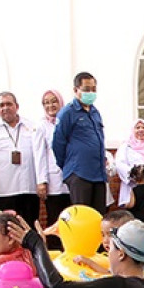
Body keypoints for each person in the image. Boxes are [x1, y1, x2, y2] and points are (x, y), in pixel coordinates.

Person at [8, 215, 144, 288]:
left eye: (110, 248)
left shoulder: (119, 285)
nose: (108, 254)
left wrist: (36, 245)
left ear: (121, 254)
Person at [52, 72, 107, 213]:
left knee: (99, 216)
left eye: (94, 89)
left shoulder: (95, 112)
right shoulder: (67, 113)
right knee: (82, 215)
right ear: (76, 90)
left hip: (98, 173)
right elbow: (58, 143)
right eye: (87, 89)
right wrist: (68, 165)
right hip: (79, 173)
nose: (91, 93)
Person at [0, 92, 40, 221]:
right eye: (1, 105)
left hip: (28, 189)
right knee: (6, 228)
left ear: (17, 106)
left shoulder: (31, 126)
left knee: (29, 226)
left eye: (9, 104)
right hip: (3, 191)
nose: (5, 108)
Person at [34, 90, 71, 237]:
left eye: (54, 101)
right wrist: (41, 181)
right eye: (46, 103)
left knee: (71, 217)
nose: (50, 105)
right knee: (55, 217)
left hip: (71, 177)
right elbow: (39, 154)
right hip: (54, 180)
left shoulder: (68, 121)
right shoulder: (41, 126)